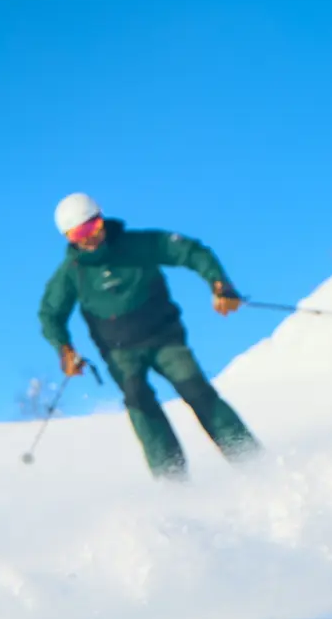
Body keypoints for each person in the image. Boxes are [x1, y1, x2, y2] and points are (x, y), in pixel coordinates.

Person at [37, 191, 260, 478]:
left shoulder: (139, 244)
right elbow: (49, 313)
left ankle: (252, 461)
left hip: (164, 338)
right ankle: (172, 484)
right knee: (139, 403)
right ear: (69, 238)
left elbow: (191, 251)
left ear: (102, 220)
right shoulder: (71, 273)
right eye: (79, 234)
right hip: (119, 352)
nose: (89, 238)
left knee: (197, 390)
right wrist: (64, 348)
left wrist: (219, 284)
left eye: (92, 227)